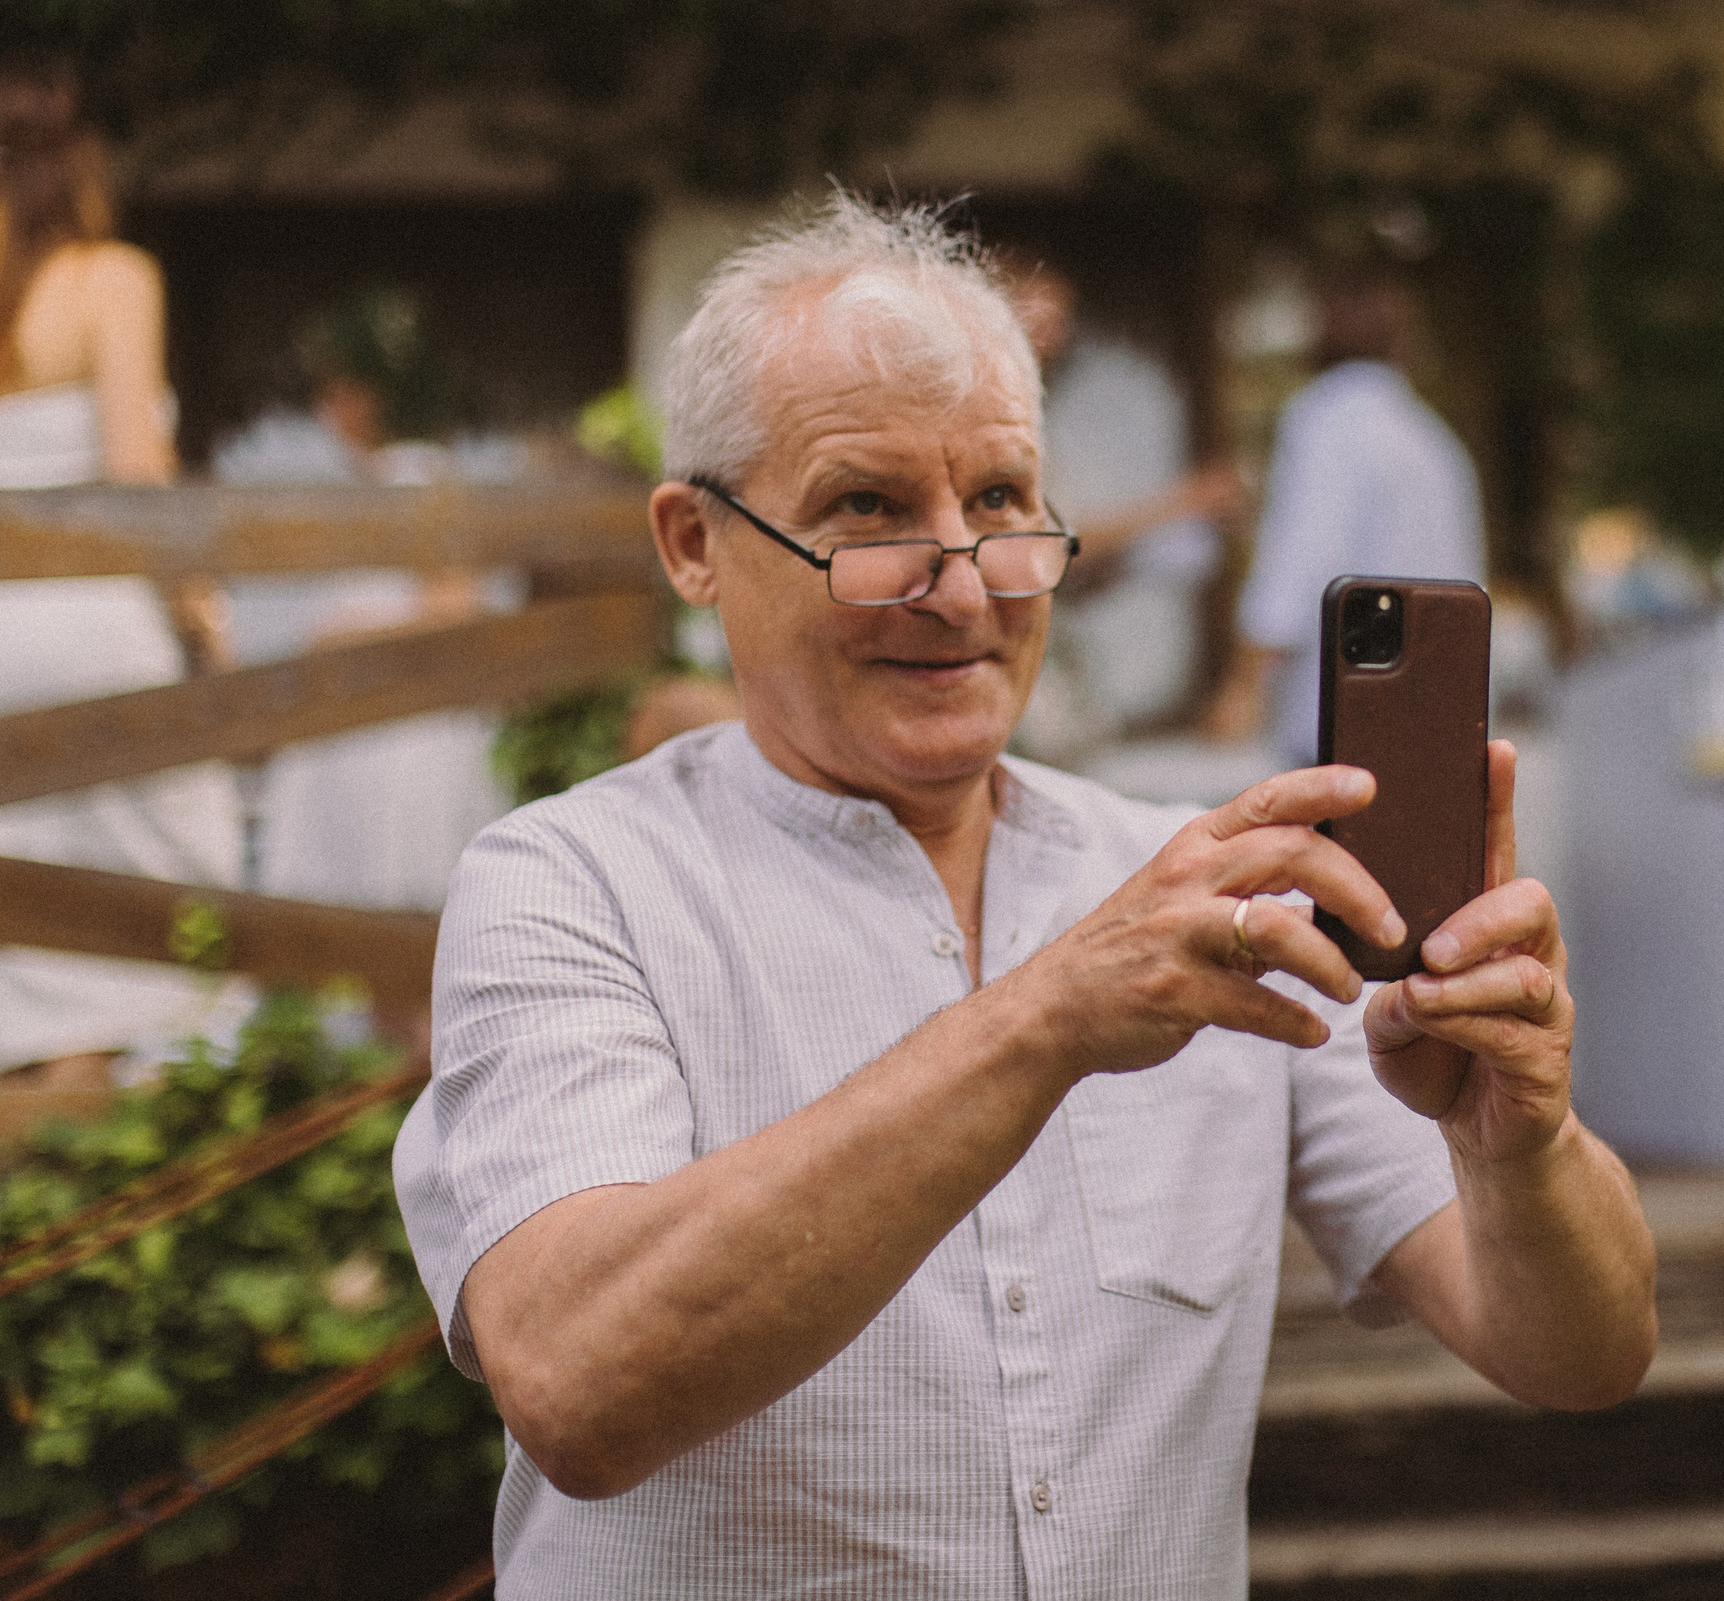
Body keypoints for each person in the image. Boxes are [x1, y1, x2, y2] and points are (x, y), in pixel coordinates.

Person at [392, 195, 1656, 1595]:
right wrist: (1048, 1013)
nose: (962, 586)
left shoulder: (1206, 880)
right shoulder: (570, 885)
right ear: (694, 541)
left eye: (1000, 502)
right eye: (867, 509)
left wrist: (1519, 1140)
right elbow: (578, 1382)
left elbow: (1580, 1355)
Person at [0, 68, 245, 1084]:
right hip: (94, 629)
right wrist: (202, 615)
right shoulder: (112, 280)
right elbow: (137, 476)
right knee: (142, 910)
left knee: (21, 933)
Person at [215, 291, 516, 913]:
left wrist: (339, 639)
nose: (328, 410)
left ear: (367, 396)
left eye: (336, 391)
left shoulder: (421, 484)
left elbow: (455, 611)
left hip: (401, 746)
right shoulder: (389, 486)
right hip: (375, 741)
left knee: (394, 916)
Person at [1205, 265, 1486, 766]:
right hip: (1432, 718)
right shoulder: (1435, 441)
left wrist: (1243, 684)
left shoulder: (1326, 415)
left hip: (1342, 719)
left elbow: (1298, 563)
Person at [1001, 259, 1241, 757]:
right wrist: (1184, 501)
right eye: (1034, 320)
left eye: (1059, 321)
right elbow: (1054, 546)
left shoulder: (1054, 402)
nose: (1050, 337)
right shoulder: (992, 416)